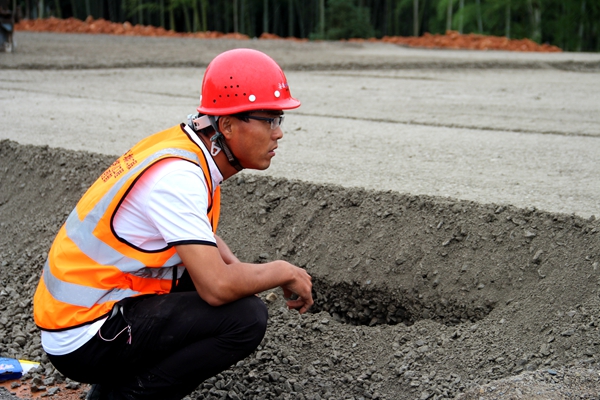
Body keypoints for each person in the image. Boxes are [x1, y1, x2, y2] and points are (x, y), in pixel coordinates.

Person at [32, 48, 314, 400]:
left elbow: (200, 235)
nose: (278, 134)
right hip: (83, 334)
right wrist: (283, 271)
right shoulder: (178, 176)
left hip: (90, 311)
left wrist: (240, 269)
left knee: (223, 284)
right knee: (245, 317)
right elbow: (217, 287)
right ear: (226, 125)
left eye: (279, 120)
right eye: (269, 119)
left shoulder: (186, 147)